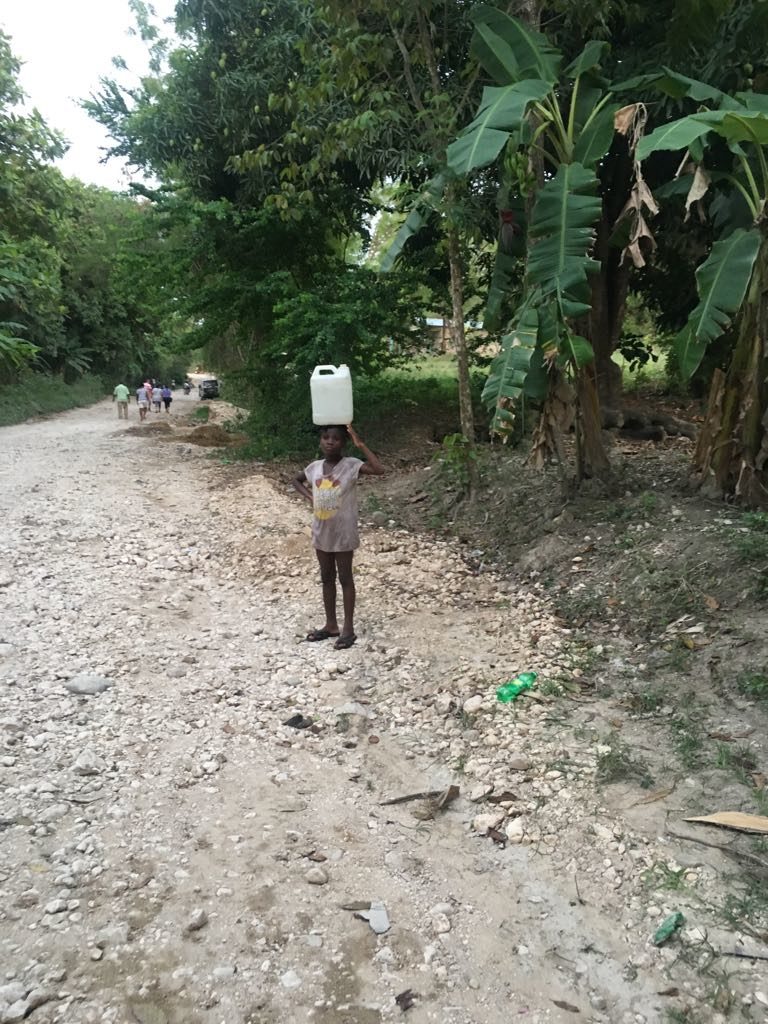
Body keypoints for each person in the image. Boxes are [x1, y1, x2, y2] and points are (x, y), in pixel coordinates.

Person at [293, 424, 384, 650]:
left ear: (344, 443)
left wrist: (360, 443)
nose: (330, 442)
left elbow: (379, 469)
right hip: (321, 531)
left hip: (343, 532)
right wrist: (309, 497)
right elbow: (295, 481)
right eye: (325, 437)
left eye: (335, 438)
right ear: (320, 441)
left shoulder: (351, 465)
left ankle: (348, 629)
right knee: (326, 578)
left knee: (345, 578)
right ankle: (331, 625)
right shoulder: (314, 467)